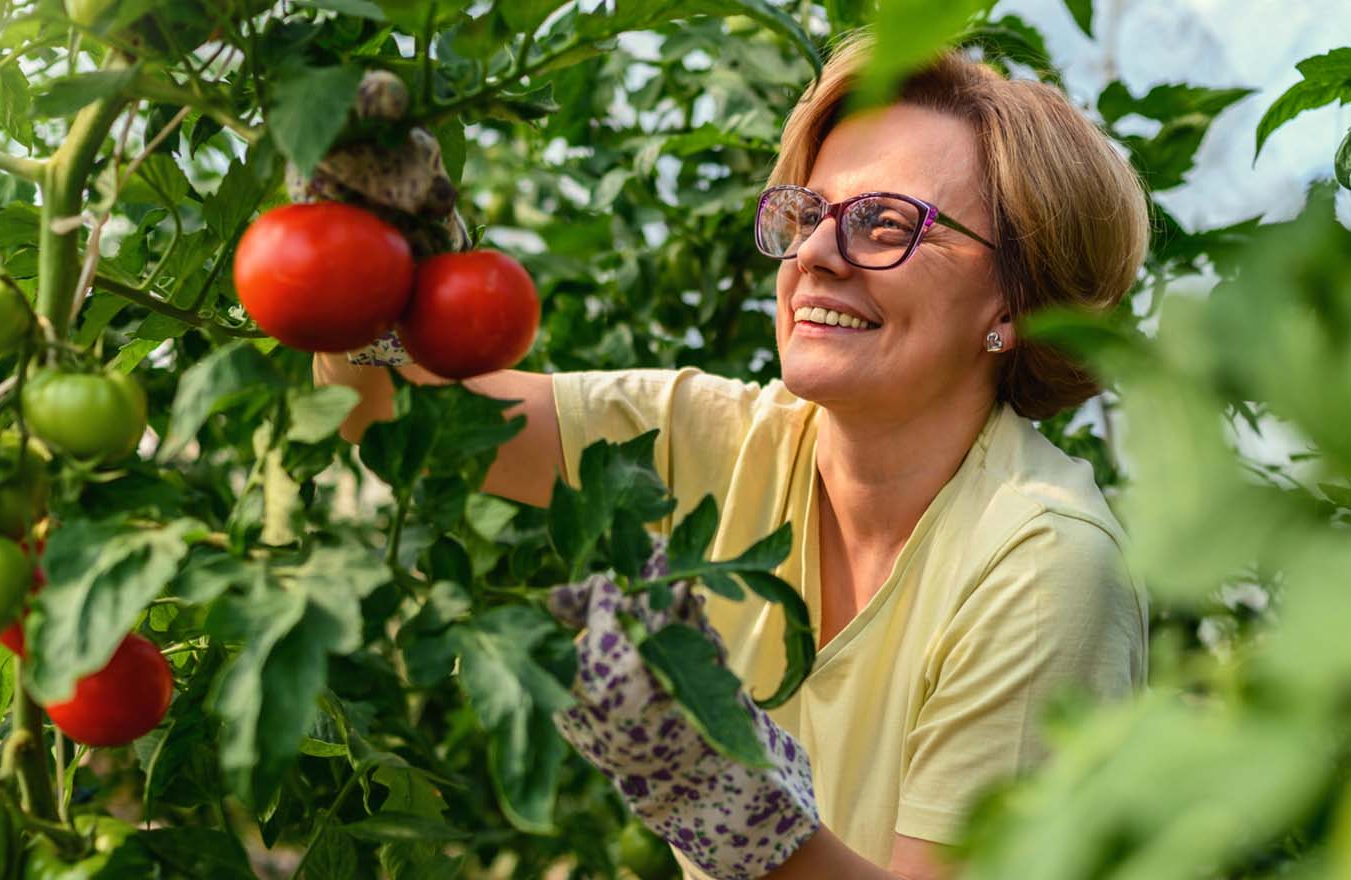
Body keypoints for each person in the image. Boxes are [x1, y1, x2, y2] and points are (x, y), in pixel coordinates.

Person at [315, 29, 1150, 880]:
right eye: (808, 214)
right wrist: (375, 264)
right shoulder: (723, 440)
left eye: (886, 224)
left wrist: (730, 806)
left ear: (1016, 297)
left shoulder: (1046, 569)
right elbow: (393, 412)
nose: (817, 254)